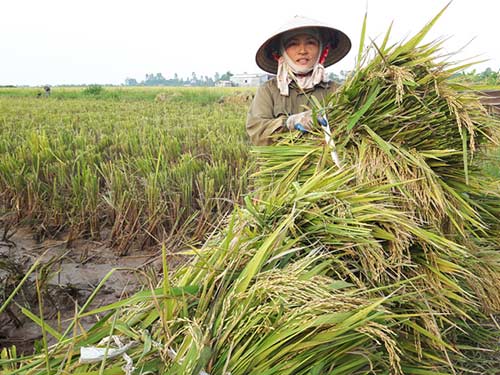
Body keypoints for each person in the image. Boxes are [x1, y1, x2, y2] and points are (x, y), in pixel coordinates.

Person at [246, 16, 351, 146]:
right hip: (282, 165)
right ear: (282, 51)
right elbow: (257, 131)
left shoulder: (337, 91)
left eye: (311, 42)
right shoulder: (269, 90)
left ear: (322, 49)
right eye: (293, 44)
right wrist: (290, 123)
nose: (302, 51)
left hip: (327, 164)